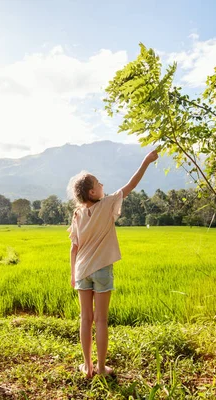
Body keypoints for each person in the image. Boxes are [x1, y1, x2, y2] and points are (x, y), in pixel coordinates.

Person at [66, 150, 159, 378]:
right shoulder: (107, 204)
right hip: (102, 270)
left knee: (85, 319)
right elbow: (131, 184)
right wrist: (146, 161)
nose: (102, 184)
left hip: (81, 271)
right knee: (101, 320)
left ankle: (87, 367)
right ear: (92, 191)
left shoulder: (77, 214)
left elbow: (73, 248)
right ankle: (101, 368)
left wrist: (72, 274)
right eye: (98, 183)